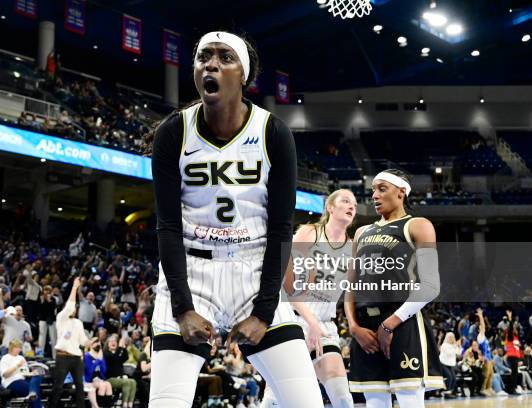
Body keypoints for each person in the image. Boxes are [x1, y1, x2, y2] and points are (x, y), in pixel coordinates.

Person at [149, 30, 323, 408]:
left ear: (243, 75)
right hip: (191, 273)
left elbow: (280, 228)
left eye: (224, 57)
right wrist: (182, 307)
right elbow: (167, 225)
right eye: (203, 57)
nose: (211, 63)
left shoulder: (272, 132)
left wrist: (263, 312)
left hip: (254, 271)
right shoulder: (172, 132)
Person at [344, 169, 444, 407]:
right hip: (364, 329)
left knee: (409, 399)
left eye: (382, 189)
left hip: (402, 322)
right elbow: (350, 286)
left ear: (401, 193)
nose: (375, 196)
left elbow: (431, 286)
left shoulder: (418, 225)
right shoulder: (361, 232)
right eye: (372, 191)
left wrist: (390, 323)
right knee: (375, 402)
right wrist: (353, 327)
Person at [263, 189, 357, 408]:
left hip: (324, 325)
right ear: (330, 207)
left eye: (354, 203)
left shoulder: (352, 247)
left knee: (343, 396)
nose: (351, 206)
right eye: (345, 201)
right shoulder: (309, 233)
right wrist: (311, 322)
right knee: (275, 399)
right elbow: (285, 284)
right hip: (293, 320)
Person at [49, 277, 92, 408]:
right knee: (58, 386)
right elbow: (70, 305)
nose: (74, 309)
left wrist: (89, 342)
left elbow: (82, 341)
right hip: (63, 357)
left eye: (75, 308)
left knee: (80, 386)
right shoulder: (61, 318)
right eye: (72, 307)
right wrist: (75, 287)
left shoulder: (78, 323)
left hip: (76, 358)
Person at [0, 339, 43, 408]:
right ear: (12, 348)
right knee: (35, 391)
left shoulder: (21, 358)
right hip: (11, 381)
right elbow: (5, 375)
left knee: (37, 376)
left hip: (22, 379)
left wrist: (32, 373)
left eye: (20, 347)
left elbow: (24, 372)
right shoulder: (5, 358)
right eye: (18, 347)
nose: (20, 350)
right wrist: (17, 366)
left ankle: (32, 393)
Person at [104, 334, 137, 408]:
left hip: (120, 378)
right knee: (127, 382)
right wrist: (119, 348)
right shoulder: (106, 353)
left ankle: (130, 404)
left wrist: (123, 348)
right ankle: (124, 405)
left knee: (133, 382)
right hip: (110, 378)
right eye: (111, 341)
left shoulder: (117, 354)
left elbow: (126, 357)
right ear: (107, 344)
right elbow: (114, 358)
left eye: (115, 341)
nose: (113, 343)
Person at [83, 337, 113, 408]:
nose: (98, 344)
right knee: (103, 385)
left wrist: (101, 359)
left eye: (99, 342)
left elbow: (104, 371)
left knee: (108, 384)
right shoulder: (87, 356)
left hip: (99, 380)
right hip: (89, 381)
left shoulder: (100, 355)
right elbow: (89, 371)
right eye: (96, 342)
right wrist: (98, 361)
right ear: (91, 345)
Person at [439, 332, 460, 398]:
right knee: (449, 377)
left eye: (452, 337)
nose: (451, 339)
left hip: (450, 364)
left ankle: (450, 392)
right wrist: (455, 346)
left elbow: (458, 353)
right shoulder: (444, 345)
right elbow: (449, 353)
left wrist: (457, 346)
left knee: (454, 377)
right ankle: (446, 392)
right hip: (443, 364)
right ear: (447, 338)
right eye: (450, 337)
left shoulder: (453, 345)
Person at [38, 285, 57, 357]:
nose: (47, 292)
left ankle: (54, 356)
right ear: (43, 291)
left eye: (49, 290)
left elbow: (53, 310)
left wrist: (49, 300)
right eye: (45, 290)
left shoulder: (53, 299)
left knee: (53, 338)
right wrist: (43, 302)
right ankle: (40, 355)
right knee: (41, 337)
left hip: (51, 320)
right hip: (42, 319)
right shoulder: (40, 298)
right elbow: (39, 310)